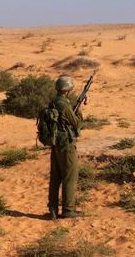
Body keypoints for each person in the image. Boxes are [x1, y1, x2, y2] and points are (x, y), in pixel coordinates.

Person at [48, 75, 84, 219]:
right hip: (66, 146)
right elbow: (77, 124)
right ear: (68, 90)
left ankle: (53, 209)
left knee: (55, 178)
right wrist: (79, 110)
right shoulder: (64, 105)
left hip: (56, 145)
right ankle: (68, 210)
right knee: (70, 177)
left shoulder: (53, 102)